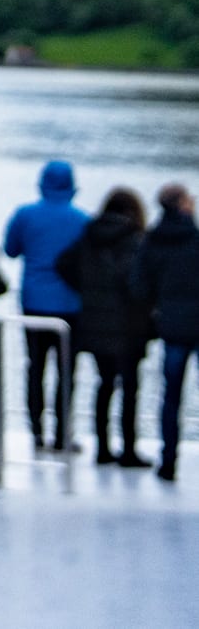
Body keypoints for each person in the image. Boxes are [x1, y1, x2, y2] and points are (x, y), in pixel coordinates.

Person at [59, 188, 157, 466]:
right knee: (130, 387)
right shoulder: (137, 240)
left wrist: (87, 290)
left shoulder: (89, 236)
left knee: (104, 385)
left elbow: (63, 263)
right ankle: (128, 448)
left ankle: (102, 447)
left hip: (94, 323)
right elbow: (138, 283)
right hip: (130, 325)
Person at [7, 160, 92, 452]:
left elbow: (10, 249)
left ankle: (37, 432)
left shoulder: (25, 215)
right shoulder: (83, 220)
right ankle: (62, 435)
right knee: (67, 371)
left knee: (35, 368)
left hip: (33, 302)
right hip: (71, 305)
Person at [134, 184, 199, 482]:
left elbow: (138, 284)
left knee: (171, 395)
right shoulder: (195, 239)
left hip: (171, 326)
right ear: (183, 206)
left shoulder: (153, 241)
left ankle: (168, 461)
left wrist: (156, 308)